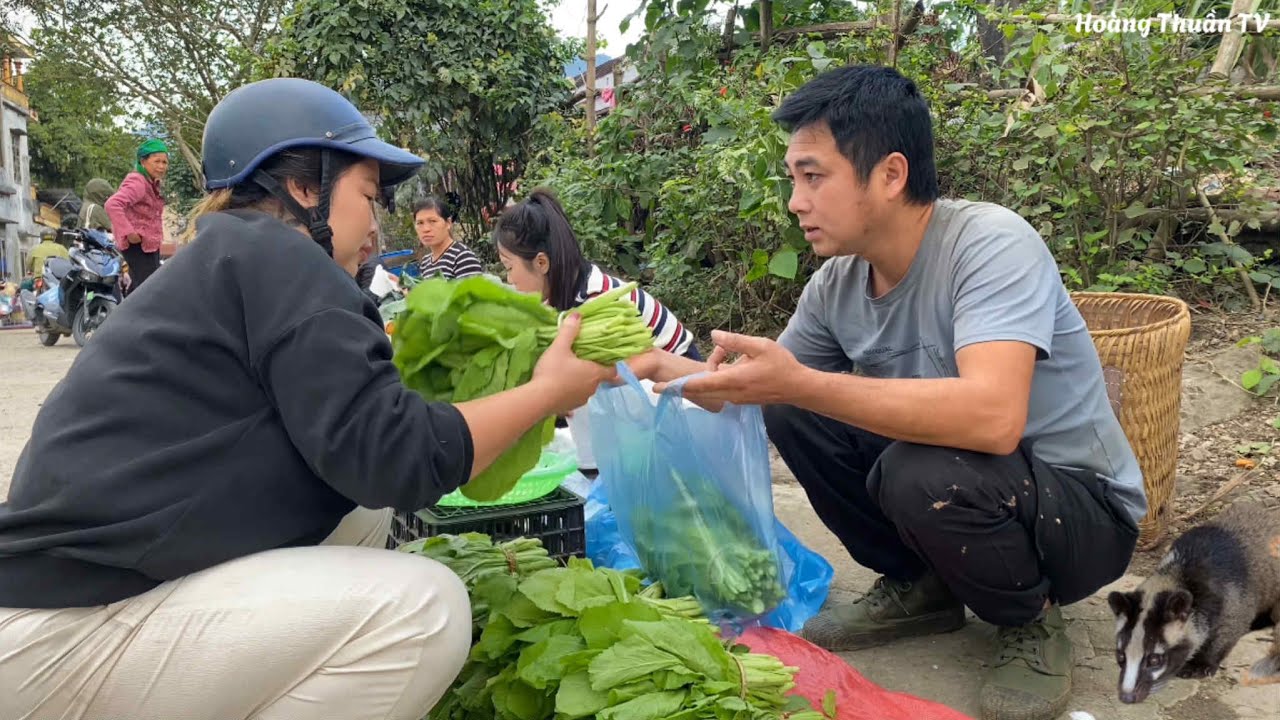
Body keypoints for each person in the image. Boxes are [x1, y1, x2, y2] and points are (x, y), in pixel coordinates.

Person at [0, 77, 617, 720]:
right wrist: (548, 392)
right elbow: (399, 457)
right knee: (424, 610)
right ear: (302, 187)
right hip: (63, 632)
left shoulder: (229, 253)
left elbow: (361, 441)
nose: (375, 226)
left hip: (53, 609)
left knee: (360, 514)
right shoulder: (281, 258)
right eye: (368, 196)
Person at [634, 64, 1144, 720]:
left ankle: (1030, 616)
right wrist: (661, 367)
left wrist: (802, 383)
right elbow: (765, 386)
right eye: (793, 179)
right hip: (974, 480)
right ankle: (921, 586)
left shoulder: (990, 245)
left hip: (1082, 514)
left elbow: (993, 419)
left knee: (915, 468)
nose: (795, 201)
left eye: (813, 177)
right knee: (793, 411)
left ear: (891, 174)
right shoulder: (838, 283)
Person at [494, 187, 700, 360]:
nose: (509, 279)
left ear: (541, 262)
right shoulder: (569, 288)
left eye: (509, 267)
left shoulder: (595, 300)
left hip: (681, 372)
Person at [105, 138, 169, 294]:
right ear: (143, 161)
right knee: (150, 290)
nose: (161, 166)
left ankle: (127, 310)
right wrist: (129, 232)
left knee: (139, 288)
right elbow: (112, 205)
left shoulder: (150, 182)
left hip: (149, 244)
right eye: (157, 161)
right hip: (138, 245)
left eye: (164, 162)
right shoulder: (138, 182)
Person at [414, 192, 483, 279]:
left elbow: (473, 288)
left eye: (432, 221)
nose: (426, 229)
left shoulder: (462, 257)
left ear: (448, 223)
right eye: (420, 223)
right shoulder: (425, 263)